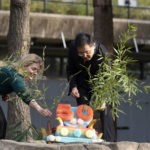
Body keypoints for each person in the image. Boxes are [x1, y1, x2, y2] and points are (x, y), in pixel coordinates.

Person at [66, 32, 115, 142]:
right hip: (82, 82)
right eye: (81, 53)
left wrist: (103, 97)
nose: (84, 56)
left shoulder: (103, 54)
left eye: (87, 52)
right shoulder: (73, 48)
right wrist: (73, 86)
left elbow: (108, 80)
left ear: (93, 45)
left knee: (106, 110)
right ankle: (84, 138)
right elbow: (70, 69)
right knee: (83, 110)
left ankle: (109, 141)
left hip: (101, 83)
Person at [0, 53, 52, 139]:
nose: (35, 73)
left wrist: (3, 93)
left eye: (37, 71)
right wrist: (40, 109)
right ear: (25, 65)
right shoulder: (15, 75)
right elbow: (25, 95)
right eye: (33, 69)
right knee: (1, 124)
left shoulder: (13, 72)